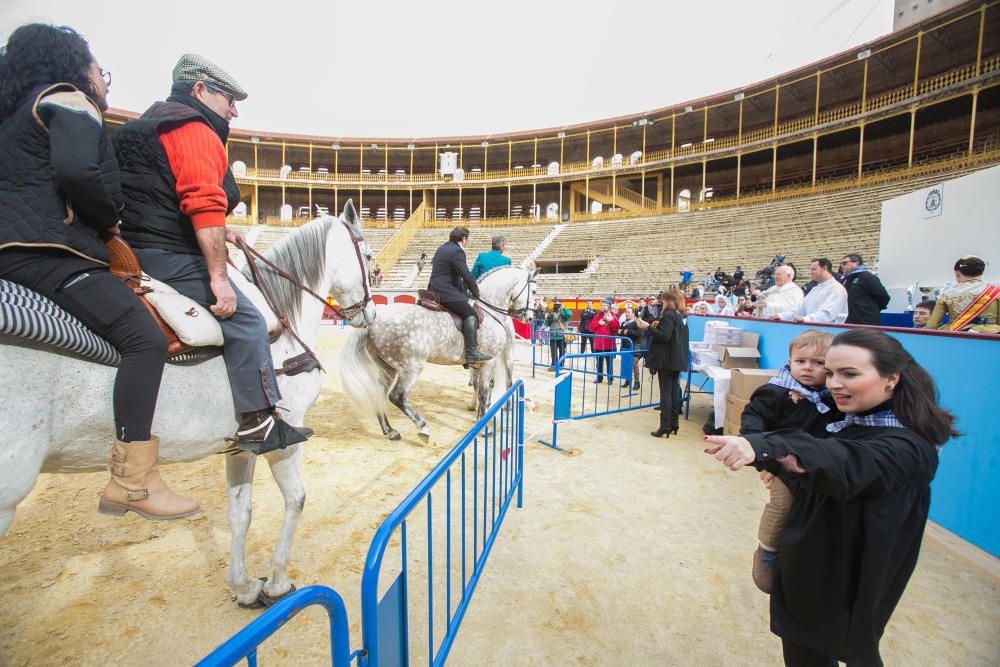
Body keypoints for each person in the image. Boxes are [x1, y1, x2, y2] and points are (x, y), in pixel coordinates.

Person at [0, 24, 198, 520]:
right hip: (48, 254)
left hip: (15, 250)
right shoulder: (67, 98)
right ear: (75, 68)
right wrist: (108, 220)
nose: (102, 80)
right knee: (143, 339)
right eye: (98, 69)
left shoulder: (13, 117)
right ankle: (133, 481)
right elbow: (78, 173)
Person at [706, 329, 956, 666]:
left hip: (842, 581)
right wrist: (767, 455)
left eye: (849, 374)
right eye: (833, 373)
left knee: (844, 648)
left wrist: (773, 446)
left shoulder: (907, 446)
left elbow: (844, 461)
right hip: (810, 570)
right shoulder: (850, 421)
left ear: (890, 379)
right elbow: (810, 467)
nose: (835, 383)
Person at [114, 54, 312, 455]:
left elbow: (157, 196)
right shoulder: (195, 129)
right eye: (229, 98)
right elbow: (202, 203)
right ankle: (257, 420)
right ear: (200, 90)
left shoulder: (143, 126)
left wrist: (224, 230)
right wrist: (219, 280)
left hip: (132, 246)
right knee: (248, 320)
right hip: (168, 251)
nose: (234, 109)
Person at [739, 330, 840, 594]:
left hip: (818, 467)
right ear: (790, 361)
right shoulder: (776, 391)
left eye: (819, 364)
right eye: (801, 361)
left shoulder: (833, 396)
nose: (808, 368)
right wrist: (764, 459)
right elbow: (753, 421)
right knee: (782, 505)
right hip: (782, 466)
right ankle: (767, 551)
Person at [424, 226, 493, 364]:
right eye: (466, 240)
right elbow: (465, 274)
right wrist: (475, 291)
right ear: (463, 239)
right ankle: (472, 352)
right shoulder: (457, 251)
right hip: (445, 291)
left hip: (433, 289)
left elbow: (450, 274)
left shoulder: (441, 248)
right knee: (470, 314)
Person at [637, 290, 688, 437]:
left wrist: (648, 327)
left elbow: (664, 336)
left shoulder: (668, 315)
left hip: (666, 361)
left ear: (669, 301)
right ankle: (673, 423)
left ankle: (665, 425)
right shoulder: (679, 316)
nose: (662, 303)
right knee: (672, 393)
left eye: (664, 300)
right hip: (675, 361)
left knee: (666, 394)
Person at [925, 256, 999, 333]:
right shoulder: (996, 292)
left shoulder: (946, 294)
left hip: (956, 335)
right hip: (987, 335)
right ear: (982, 272)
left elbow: (932, 325)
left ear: (957, 273)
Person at [781, 258, 847, 324]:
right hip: (813, 328)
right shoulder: (815, 289)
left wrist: (806, 319)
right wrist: (781, 316)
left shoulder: (836, 289)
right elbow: (800, 308)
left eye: (814, 269)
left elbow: (827, 313)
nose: (811, 272)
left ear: (824, 268)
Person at [839, 254, 890, 326]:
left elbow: (883, 296)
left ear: (856, 262)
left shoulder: (867, 277)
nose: (842, 266)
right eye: (841, 263)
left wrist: (870, 309)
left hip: (866, 321)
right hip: (849, 321)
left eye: (844, 263)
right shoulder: (845, 279)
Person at [588, 299, 619, 383]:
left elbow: (616, 328)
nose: (603, 307)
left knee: (609, 363)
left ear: (608, 307)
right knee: (599, 363)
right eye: (602, 305)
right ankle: (599, 377)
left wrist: (611, 320)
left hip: (609, 345)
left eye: (605, 305)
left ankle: (610, 378)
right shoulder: (597, 316)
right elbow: (590, 328)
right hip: (598, 344)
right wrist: (598, 323)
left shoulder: (613, 316)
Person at [618, 306, 644, 390]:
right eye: (626, 312)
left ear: (633, 314)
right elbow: (622, 334)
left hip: (635, 346)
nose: (627, 313)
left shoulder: (637, 322)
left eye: (629, 312)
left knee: (634, 364)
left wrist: (629, 331)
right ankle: (628, 380)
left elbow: (639, 333)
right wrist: (619, 332)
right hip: (626, 346)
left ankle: (637, 382)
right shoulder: (624, 323)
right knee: (626, 363)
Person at [545, 299, 571, 368]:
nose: (557, 306)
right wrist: (547, 318)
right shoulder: (551, 314)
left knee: (562, 352)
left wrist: (563, 308)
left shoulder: (564, 313)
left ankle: (561, 365)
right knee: (553, 352)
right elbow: (546, 323)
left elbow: (570, 314)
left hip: (562, 336)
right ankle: (554, 365)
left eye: (558, 304)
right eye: (555, 304)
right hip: (553, 336)